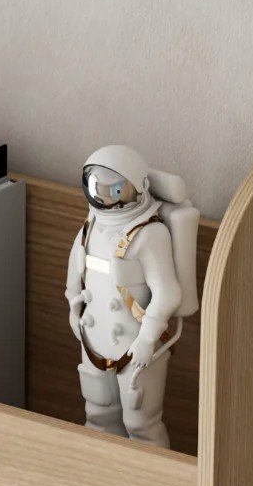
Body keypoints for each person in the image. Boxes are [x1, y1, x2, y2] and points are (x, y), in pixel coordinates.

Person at [65, 144, 186, 447]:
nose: (107, 200)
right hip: (94, 338)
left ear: (138, 187)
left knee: (141, 424)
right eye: (99, 190)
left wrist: (147, 340)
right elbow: (75, 275)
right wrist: (74, 308)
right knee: (98, 416)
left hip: (137, 346)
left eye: (117, 191)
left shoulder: (148, 233)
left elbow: (167, 293)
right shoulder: (90, 226)